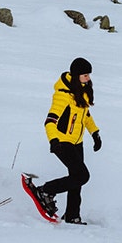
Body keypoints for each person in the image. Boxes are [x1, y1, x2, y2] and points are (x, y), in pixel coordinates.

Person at [24, 57, 102, 224]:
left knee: (76, 180)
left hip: (77, 142)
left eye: (88, 75)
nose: (88, 78)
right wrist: (54, 141)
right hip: (63, 141)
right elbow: (50, 121)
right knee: (82, 176)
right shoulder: (63, 95)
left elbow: (85, 116)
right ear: (75, 75)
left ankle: (73, 215)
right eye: (85, 75)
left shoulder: (82, 91)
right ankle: (45, 191)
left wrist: (95, 133)